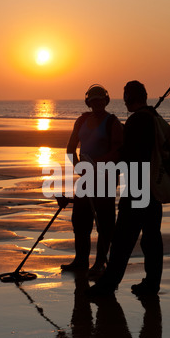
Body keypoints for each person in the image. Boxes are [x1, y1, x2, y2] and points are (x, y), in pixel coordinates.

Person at [87, 80, 164, 297]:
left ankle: (108, 284)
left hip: (137, 187)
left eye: (125, 96)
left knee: (122, 239)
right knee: (151, 238)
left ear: (128, 98)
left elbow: (127, 155)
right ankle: (151, 284)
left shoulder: (137, 120)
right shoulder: (153, 118)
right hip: (153, 187)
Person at [61, 84, 123, 276]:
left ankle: (99, 263)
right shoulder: (81, 121)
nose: (97, 103)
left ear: (106, 101)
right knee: (80, 220)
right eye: (94, 100)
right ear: (88, 102)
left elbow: (118, 151)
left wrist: (97, 164)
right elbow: (70, 148)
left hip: (106, 178)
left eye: (101, 100)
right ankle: (80, 261)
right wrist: (79, 166)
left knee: (104, 223)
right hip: (86, 177)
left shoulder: (112, 122)